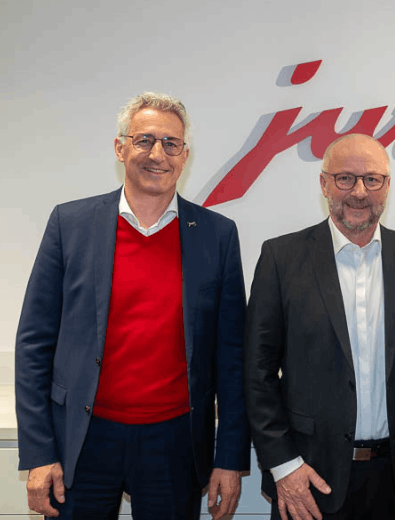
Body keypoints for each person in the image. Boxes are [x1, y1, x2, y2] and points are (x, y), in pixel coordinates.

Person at [15, 92, 250, 519]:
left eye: (170, 143)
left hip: (175, 445)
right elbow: (34, 345)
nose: (157, 154)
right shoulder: (70, 224)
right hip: (83, 440)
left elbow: (233, 359)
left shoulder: (217, 235)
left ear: (184, 156)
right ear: (120, 148)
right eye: (144, 140)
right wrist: (38, 453)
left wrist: (230, 458)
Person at [243, 133, 395, 520]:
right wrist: (283, 465)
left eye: (372, 179)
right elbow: (257, 373)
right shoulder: (281, 258)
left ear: (387, 186)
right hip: (307, 478)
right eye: (345, 179)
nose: (358, 192)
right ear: (324, 184)